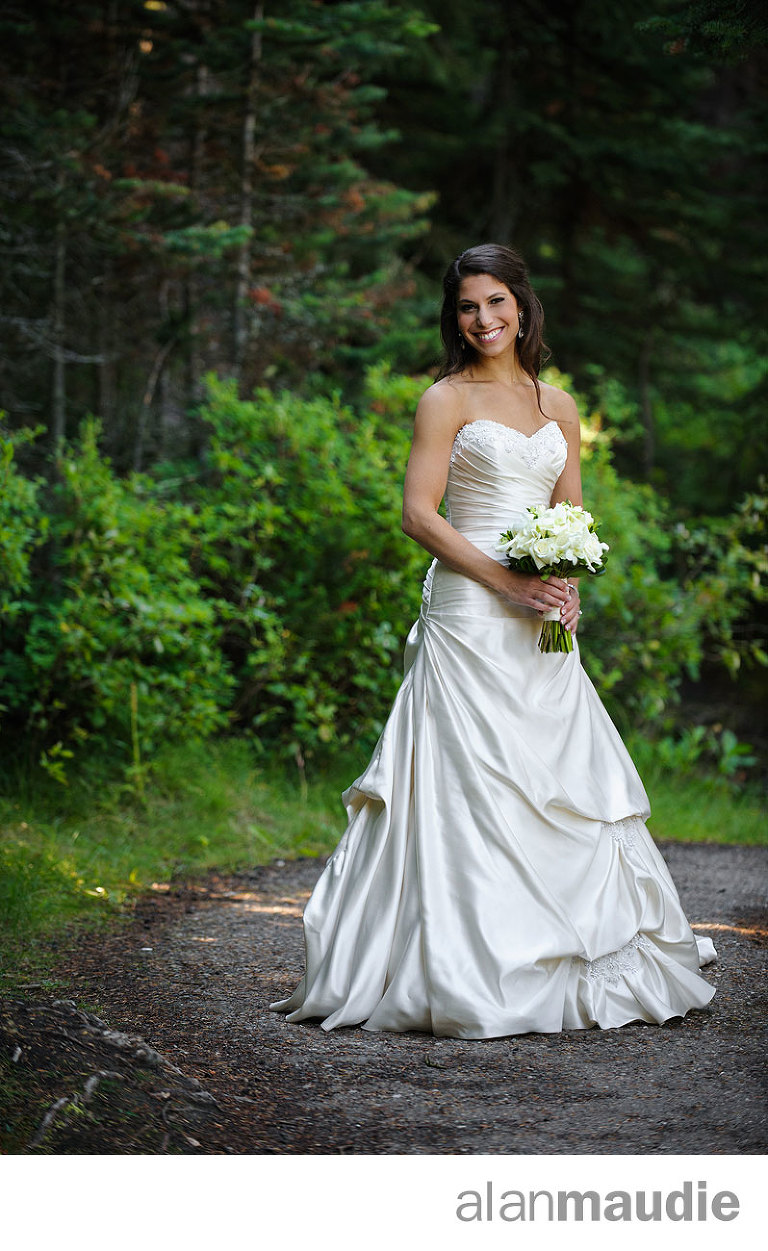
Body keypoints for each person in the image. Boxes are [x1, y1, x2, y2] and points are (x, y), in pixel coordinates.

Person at [270, 243, 716, 1039]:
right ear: (456, 315)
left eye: (497, 302)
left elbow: (572, 515)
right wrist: (506, 582)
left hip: (539, 620)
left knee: (556, 774)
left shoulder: (560, 406)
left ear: (523, 306)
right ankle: (463, 960)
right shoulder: (444, 399)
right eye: (469, 306)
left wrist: (564, 583)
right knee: (470, 781)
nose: (484, 319)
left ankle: (566, 946)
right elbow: (419, 514)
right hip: (469, 613)